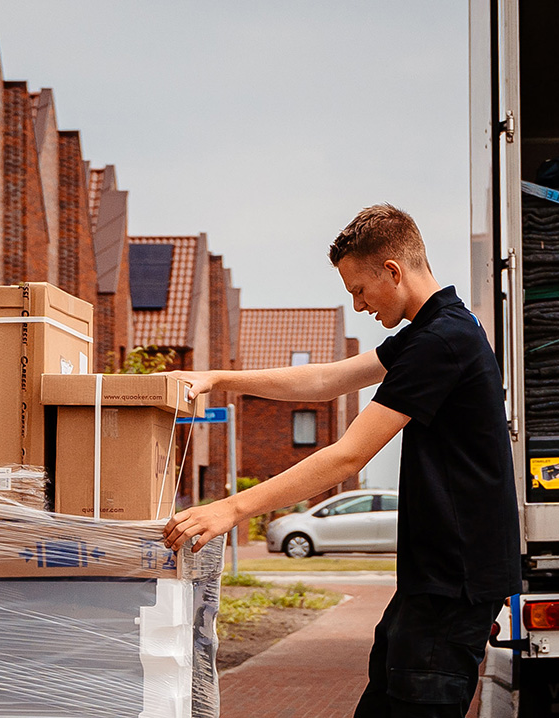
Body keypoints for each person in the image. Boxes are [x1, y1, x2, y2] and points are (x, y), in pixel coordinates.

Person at [162, 204, 520, 717]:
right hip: (433, 582)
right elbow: (325, 380)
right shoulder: (432, 332)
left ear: (392, 270)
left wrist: (231, 510)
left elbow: (347, 454)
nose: (357, 306)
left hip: (452, 586)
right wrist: (220, 378)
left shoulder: (443, 341)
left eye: (359, 289)